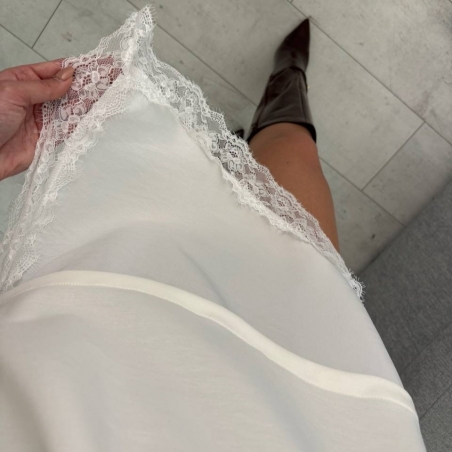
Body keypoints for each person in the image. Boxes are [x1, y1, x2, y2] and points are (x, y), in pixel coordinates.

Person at [0, 6, 425, 451]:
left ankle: (260, 125)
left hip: (78, 347)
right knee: (292, 198)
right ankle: (288, 80)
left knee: (220, 217)